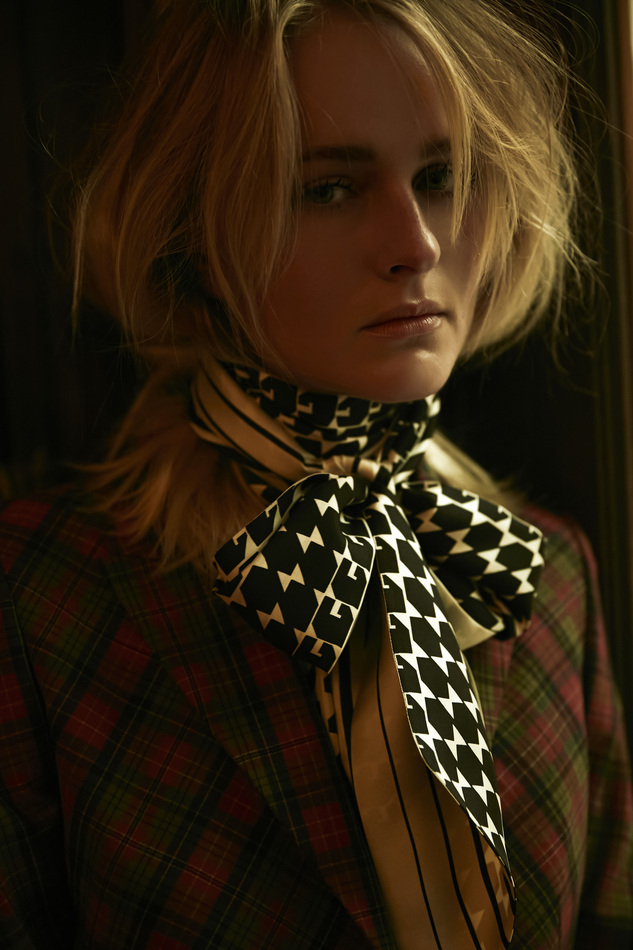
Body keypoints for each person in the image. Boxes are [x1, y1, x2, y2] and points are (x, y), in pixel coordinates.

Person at [0, 0, 631, 947]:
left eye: (441, 177)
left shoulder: (549, 571)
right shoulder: (42, 593)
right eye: (328, 189)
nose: (414, 245)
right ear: (190, 234)